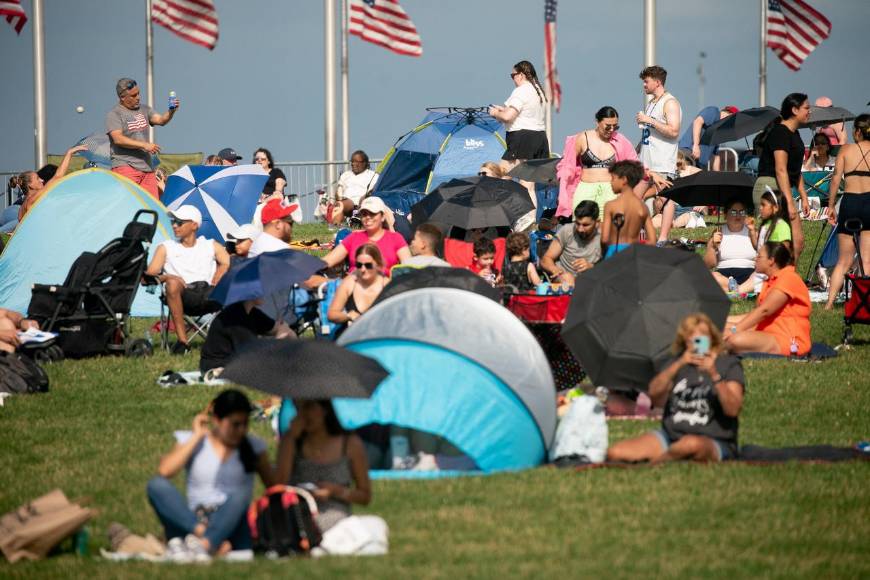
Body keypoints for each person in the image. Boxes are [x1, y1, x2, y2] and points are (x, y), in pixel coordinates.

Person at [147, 390, 272, 562]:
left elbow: (274, 486)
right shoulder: (194, 441)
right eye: (235, 424)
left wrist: (290, 439)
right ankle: (208, 539)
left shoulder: (254, 446)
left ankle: (204, 544)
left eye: (245, 424)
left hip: (232, 522)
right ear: (217, 420)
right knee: (156, 485)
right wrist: (197, 435)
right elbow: (165, 471)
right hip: (194, 520)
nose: (241, 430)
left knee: (240, 496)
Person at [607, 313, 745, 463]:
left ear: (712, 337)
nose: (697, 341)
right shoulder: (676, 363)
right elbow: (654, 395)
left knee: (690, 445)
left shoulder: (727, 365)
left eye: (702, 336)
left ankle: (655, 464)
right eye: (691, 336)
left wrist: (714, 374)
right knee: (616, 452)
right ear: (684, 341)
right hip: (671, 436)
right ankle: (669, 456)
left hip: (713, 439)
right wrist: (680, 364)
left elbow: (733, 409)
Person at [144, 205, 231, 354]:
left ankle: (232, 339)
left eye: (180, 222)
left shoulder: (210, 245)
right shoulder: (166, 247)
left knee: (233, 282)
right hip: (182, 295)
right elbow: (147, 278)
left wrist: (221, 271)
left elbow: (227, 261)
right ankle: (183, 343)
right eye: (173, 221)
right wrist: (168, 276)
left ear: (194, 225)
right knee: (172, 284)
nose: (174, 225)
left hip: (209, 293)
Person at [275, 400, 372, 532]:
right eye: (299, 408)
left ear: (325, 409)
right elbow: (277, 487)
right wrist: (290, 438)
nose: (304, 414)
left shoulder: (350, 443)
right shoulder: (292, 441)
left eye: (309, 407)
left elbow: (365, 496)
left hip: (336, 517)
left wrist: (335, 491)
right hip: (298, 514)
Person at [725, 242, 811, 356]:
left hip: (788, 339)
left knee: (734, 339)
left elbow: (764, 311)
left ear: (771, 260)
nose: (755, 258)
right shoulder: (770, 281)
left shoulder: (789, 278)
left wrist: (735, 330)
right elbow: (755, 314)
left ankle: (703, 350)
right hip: (766, 332)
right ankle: (700, 350)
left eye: (759, 256)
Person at [754, 93, 811, 258]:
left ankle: (786, 279)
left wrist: (804, 196)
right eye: (806, 108)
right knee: (777, 244)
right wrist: (789, 202)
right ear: (794, 110)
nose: (809, 112)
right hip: (770, 186)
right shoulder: (780, 132)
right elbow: (780, 169)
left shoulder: (795, 134)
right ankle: (771, 280)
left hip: (784, 186)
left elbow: (795, 170)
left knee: (797, 242)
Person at [825, 114, 870, 310]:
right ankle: (864, 302)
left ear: (858, 132)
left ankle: (829, 304)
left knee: (843, 260)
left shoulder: (846, 149)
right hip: (869, 202)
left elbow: (836, 179)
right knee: (866, 260)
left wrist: (831, 205)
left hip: (850, 202)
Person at [105, 78, 178, 198]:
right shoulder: (114, 114)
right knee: (128, 205)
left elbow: (161, 120)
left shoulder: (144, 109)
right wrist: (144, 145)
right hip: (125, 166)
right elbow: (118, 139)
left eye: (138, 93)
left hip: (147, 168)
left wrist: (171, 112)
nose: (138, 97)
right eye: (133, 95)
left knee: (151, 207)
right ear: (122, 97)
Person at [635, 65, 683, 245]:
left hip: (662, 161)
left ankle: (663, 238)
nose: (644, 85)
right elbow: (649, 132)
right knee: (635, 196)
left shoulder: (670, 102)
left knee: (666, 197)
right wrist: (637, 148)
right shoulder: (651, 103)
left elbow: (674, 131)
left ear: (657, 82)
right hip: (646, 161)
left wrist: (649, 120)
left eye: (646, 81)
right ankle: (641, 233)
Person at [199, 299, 292, 376]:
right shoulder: (235, 317)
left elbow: (280, 327)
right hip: (217, 364)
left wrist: (284, 330)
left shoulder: (251, 312)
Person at [323, 196, 410, 273]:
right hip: (353, 284)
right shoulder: (354, 238)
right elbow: (328, 261)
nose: (368, 217)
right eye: (364, 214)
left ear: (383, 217)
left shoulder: (395, 239)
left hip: (385, 287)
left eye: (372, 213)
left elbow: (409, 268)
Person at [488, 60, 549, 164]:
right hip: (540, 138)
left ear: (521, 75)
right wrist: (503, 110)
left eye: (513, 75)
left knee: (502, 173)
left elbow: (507, 117)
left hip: (522, 139)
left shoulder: (521, 90)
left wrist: (494, 113)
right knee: (531, 177)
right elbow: (527, 113)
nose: (513, 79)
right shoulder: (539, 91)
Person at [570, 107, 624, 219]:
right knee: (582, 229)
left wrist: (649, 173)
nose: (611, 130)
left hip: (610, 192)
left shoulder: (620, 140)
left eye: (615, 126)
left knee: (610, 231)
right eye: (608, 126)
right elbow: (568, 165)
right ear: (597, 122)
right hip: (585, 190)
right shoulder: (583, 138)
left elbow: (633, 163)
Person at [15, 144, 88, 225]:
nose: (42, 180)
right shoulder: (32, 200)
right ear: (30, 185)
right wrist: (69, 153)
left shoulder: (21, 209)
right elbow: (57, 176)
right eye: (37, 178)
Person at [601, 160, 656, 258]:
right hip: (633, 255)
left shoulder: (611, 205)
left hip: (614, 253)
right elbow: (652, 240)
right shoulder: (642, 207)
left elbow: (605, 239)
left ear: (624, 180)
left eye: (613, 178)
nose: (611, 182)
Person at [540, 200, 601, 287]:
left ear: (597, 222)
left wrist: (591, 267)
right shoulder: (567, 231)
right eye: (577, 223)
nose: (580, 229)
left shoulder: (603, 237)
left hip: (589, 281)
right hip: (564, 279)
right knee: (568, 279)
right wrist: (555, 270)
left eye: (585, 225)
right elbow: (546, 259)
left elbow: (610, 267)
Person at [327, 244, 388, 329]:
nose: (363, 269)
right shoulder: (349, 282)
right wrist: (348, 316)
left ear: (378, 264)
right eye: (359, 265)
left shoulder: (387, 285)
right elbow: (332, 314)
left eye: (368, 265)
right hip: (353, 336)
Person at [704, 198, 758, 291]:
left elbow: (764, 257)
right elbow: (709, 265)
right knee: (712, 276)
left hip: (749, 274)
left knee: (760, 276)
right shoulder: (718, 232)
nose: (738, 215)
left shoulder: (752, 231)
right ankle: (742, 290)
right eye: (733, 212)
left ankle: (737, 291)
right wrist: (712, 246)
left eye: (741, 212)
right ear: (725, 215)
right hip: (724, 276)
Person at [332, 150, 379, 226]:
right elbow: (339, 189)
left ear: (365, 163)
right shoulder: (346, 175)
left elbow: (374, 190)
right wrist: (339, 196)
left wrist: (366, 196)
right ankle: (335, 226)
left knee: (365, 200)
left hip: (364, 201)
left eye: (357, 162)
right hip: (348, 202)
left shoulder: (373, 175)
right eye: (352, 161)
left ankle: (359, 220)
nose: (354, 164)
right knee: (339, 204)